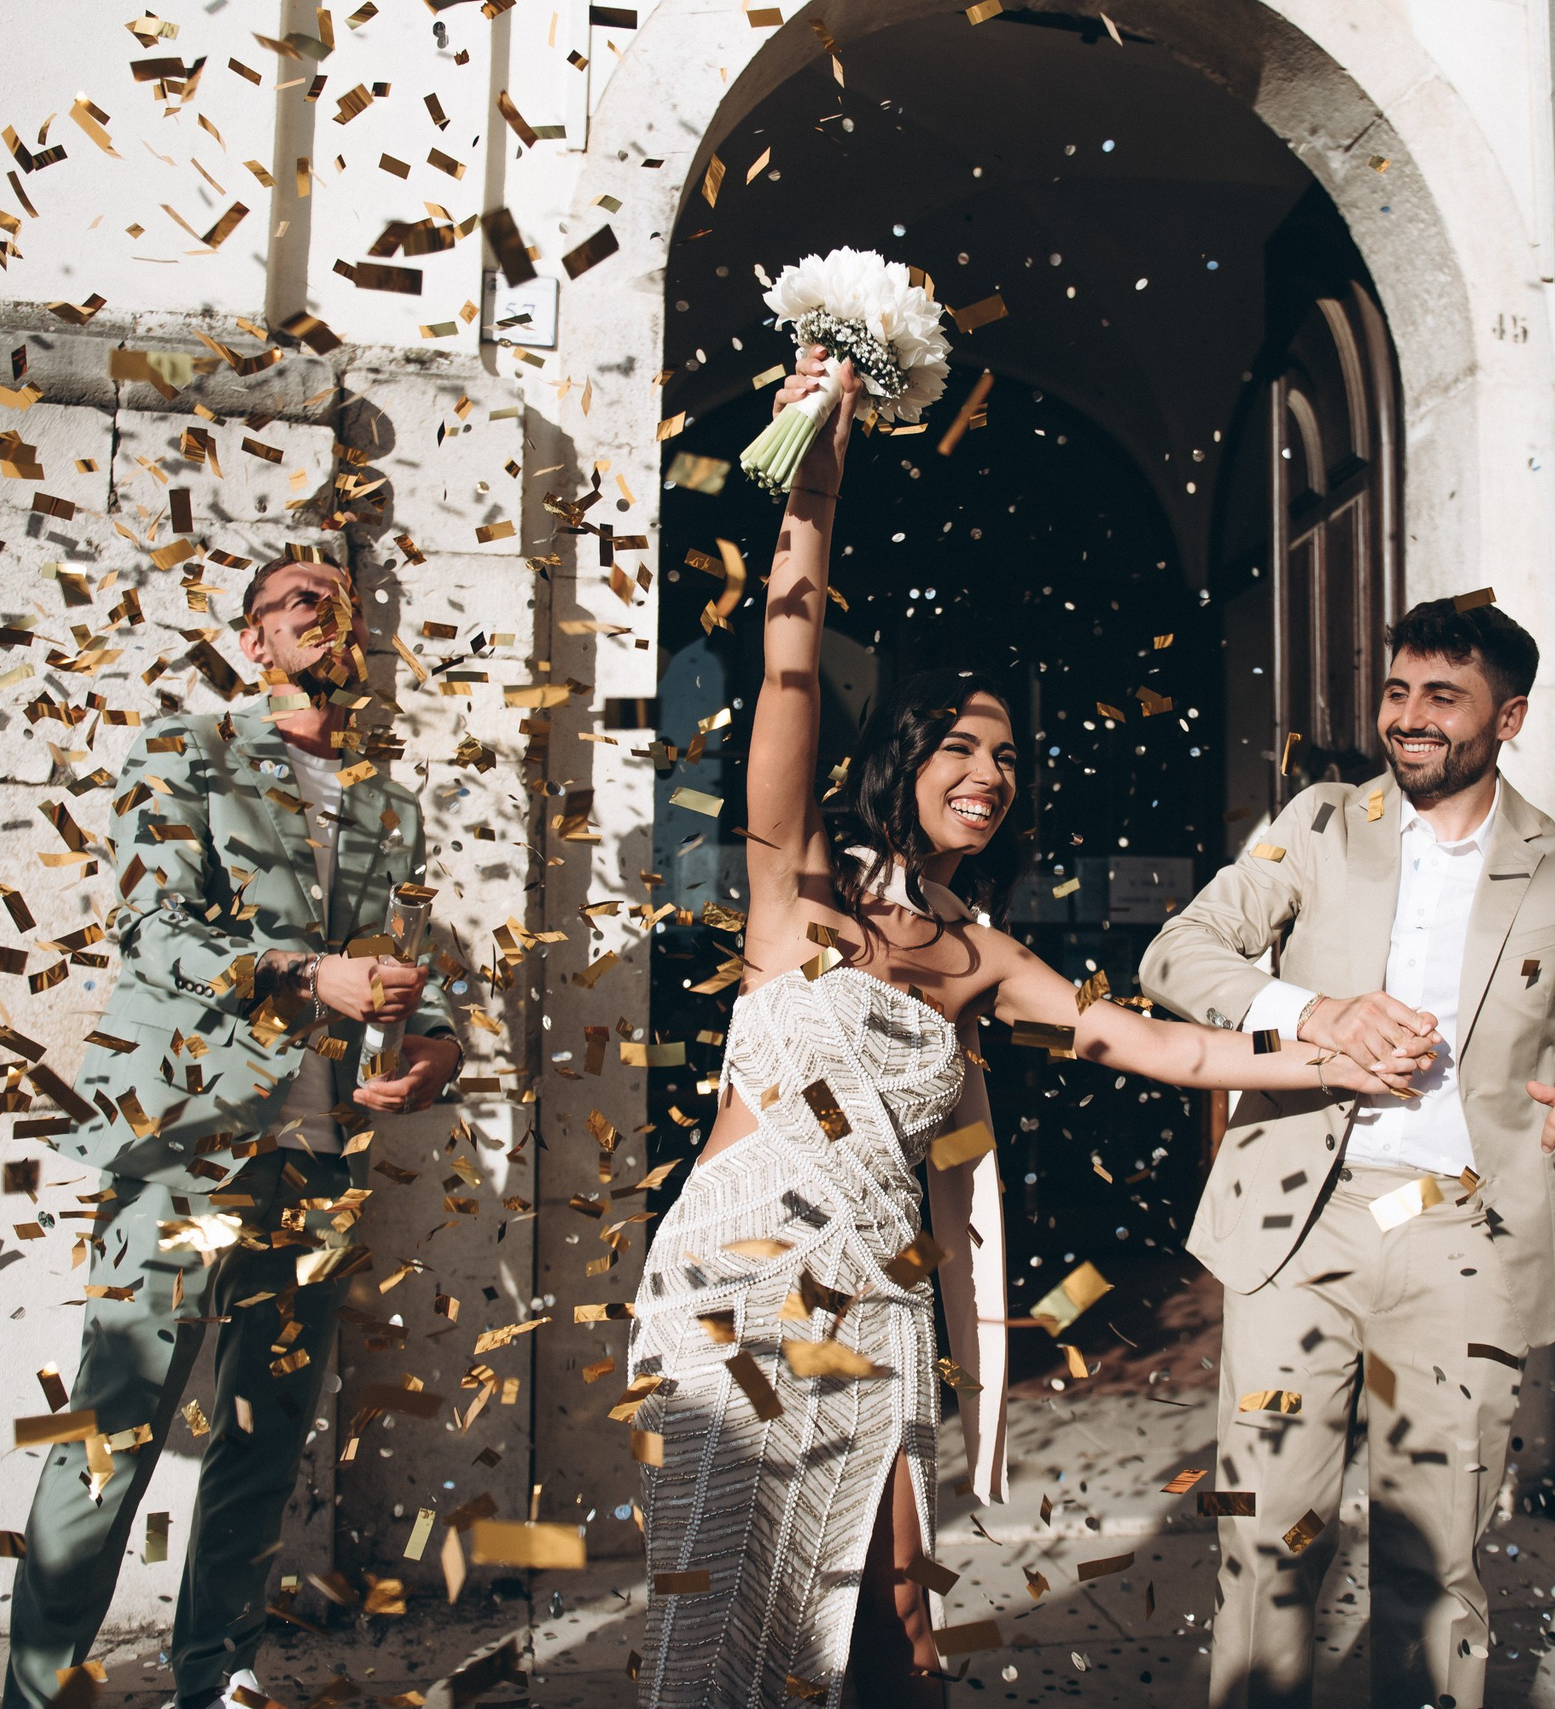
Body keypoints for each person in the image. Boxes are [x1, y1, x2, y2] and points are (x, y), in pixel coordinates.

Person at [623, 349, 1413, 1709]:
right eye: (959, 752)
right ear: (902, 764)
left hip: (880, 1301)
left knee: (901, 1633)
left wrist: (1326, 1052)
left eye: (1004, 761)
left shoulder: (987, 957)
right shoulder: (791, 883)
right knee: (735, 1630)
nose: (986, 778)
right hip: (737, 1294)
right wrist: (820, 457)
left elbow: (1160, 1045)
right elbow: (790, 657)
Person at [1139, 597, 1555, 1709]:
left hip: (1468, 1236)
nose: (1406, 717)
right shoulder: (1313, 822)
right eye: (1396, 690)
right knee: (1264, 1539)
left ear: (1508, 718)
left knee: (1433, 1560)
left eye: (1439, 697)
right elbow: (1182, 951)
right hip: (1298, 1227)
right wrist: (1314, 1012)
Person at [0, 558, 462, 1709]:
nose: (326, 610)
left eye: (341, 598)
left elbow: (411, 961)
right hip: (183, 1136)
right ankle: (38, 1690)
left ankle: (215, 1677)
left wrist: (440, 1044)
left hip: (318, 1160)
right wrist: (311, 975)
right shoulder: (181, 751)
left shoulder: (389, 802)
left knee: (267, 1436)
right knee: (112, 1424)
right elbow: (151, 930)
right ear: (255, 640)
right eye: (299, 597)